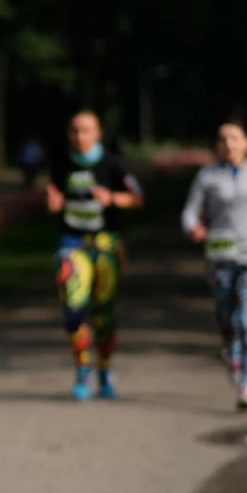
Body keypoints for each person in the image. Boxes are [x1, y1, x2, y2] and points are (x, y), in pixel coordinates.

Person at [181, 119, 247, 411]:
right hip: (220, 259)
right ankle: (231, 351)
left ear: (246, 144)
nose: (228, 144)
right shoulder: (206, 177)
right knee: (228, 320)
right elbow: (190, 212)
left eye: (234, 138)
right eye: (222, 139)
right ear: (217, 145)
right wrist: (193, 228)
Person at [47, 110, 143, 400]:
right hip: (72, 245)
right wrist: (53, 200)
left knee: (103, 313)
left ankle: (104, 369)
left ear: (97, 133)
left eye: (86, 130)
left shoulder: (112, 165)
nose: (80, 136)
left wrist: (112, 198)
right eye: (75, 131)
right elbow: (54, 194)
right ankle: (82, 368)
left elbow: (137, 197)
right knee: (73, 310)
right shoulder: (61, 163)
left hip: (105, 246)